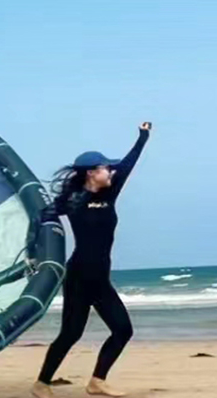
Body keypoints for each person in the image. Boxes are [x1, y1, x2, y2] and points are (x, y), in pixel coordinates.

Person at [31, 122, 151, 398]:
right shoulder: (72, 200)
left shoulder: (110, 192)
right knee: (71, 334)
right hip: (79, 278)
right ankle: (41, 383)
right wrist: (37, 252)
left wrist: (143, 136)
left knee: (123, 330)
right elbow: (41, 217)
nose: (111, 171)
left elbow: (128, 164)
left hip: (100, 279)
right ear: (92, 173)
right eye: (106, 168)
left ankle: (97, 381)